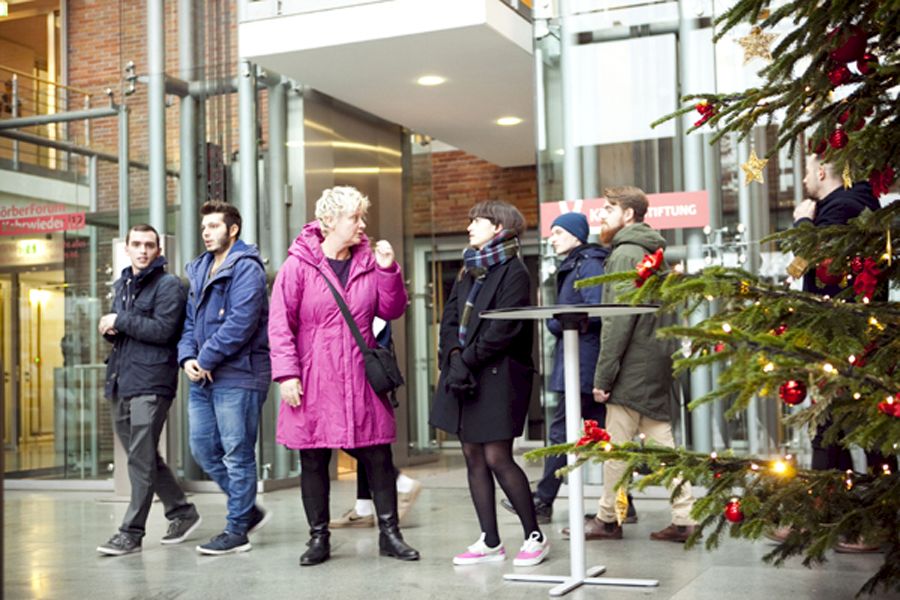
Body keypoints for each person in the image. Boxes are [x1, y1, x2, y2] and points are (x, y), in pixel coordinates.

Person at [268, 186, 419, 566]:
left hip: (360, 373)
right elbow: (280, 325)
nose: (362, 224)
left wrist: (388, 270)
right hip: (313, 375)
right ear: (329, 221)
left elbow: (392, 309)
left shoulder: (368, 260)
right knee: (314, 457)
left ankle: (390, 534)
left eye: (362, 216)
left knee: (377, 454)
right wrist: (286, 374)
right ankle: (318, 538)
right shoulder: (298, 265)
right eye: (354, 217)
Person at [778, 154, 895, 552]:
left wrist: (802, 223)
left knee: (843, 430)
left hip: (846, 339)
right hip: (854, 339)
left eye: (807, 171)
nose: (804, 180)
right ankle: (838, 519)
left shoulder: (840, 208)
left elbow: (823, 267)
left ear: (822, 172)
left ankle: (865, 523)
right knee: (840, 431)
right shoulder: (856, 204)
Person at [430, 200, 549, 567]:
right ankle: (491, 540)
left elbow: (504, 329)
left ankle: (534, 535)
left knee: (498, 456)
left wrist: (465, 360)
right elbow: (450, 317)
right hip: (465, 374)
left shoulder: (514, 270)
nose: (469, 227)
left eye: (476, 221)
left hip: (498, 375)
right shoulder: (469, 268)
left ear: (499, 227)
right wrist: (453, 356)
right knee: (472, 455)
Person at [581, 186, 696, 542]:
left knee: (616, 449)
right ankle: (685, 518)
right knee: (663, 444)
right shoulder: (651, 252)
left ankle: (607, 519)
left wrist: (603, 376)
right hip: (653, 363)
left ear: (628, 214)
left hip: (632, 368)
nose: (601, 215)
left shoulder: (625, 253)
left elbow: (617, 319)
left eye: (609, 208)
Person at [499, 211, 622, 525]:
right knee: (603, 435)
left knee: (561, 433)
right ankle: (622, 503)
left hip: (582, 365)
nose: (551, 238)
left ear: (576, 235)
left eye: (557, 232)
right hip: (580, 363)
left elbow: (596, 311)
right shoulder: (577, 264)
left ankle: (543, 500)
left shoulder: (587, 264)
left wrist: (559, 322)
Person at [96, 224, 200, 556]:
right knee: (143, 457)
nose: (143, 250)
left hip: (152, 384)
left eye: (149, 245)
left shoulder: (169, 285)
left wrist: (120, 320)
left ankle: (131, 532)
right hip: (121, 381)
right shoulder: (123, 284)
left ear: (158, 250)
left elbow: (164, 330)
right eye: (137, 244)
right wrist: (111, 330)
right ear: (126, 248)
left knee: (140, 460)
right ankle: (182, 511)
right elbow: (129, 331)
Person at [178, 201, 272, 555]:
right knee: (202, 448)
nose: (206, 232)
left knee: (237, 454)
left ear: (233, 230)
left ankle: (236, 531)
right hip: (203, 376)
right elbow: (190, 321)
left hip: (240, 375)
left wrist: (204, 358)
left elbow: (240, 323)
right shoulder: (200, 268)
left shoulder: (247, 267)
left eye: (214, 226)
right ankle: (247, 511)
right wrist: (188, 357)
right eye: (204, 227)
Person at [330, 319, 424, 529]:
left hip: (359, 366)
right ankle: (363, 509)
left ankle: (401, 483)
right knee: (363, 436)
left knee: (345, 433)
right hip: (357, 363)